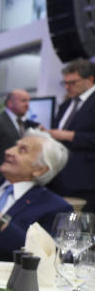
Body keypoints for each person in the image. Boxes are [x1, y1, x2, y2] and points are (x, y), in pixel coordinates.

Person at [0, 131, 72, 261]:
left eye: (22, 150)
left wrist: (0, 221)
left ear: (40, 169)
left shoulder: (53, 207)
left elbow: (47, 257)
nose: (8, 151)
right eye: (14, 146)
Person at [48, 58, 95, 212]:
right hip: (58, 178)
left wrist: (70, 136)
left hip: (85, 181)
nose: (67, 87)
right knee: (59, 225)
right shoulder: (66, 105)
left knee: (78, 229)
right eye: (65, 83)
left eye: (72, 83)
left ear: (90, 79)